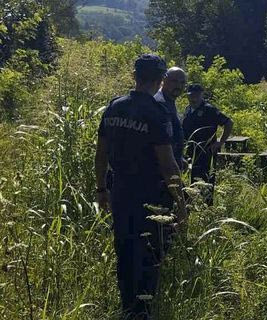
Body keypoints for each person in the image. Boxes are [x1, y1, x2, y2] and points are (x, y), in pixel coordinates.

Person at [94, 54, 187, 320]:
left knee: (124, 250)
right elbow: (168, 165)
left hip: (119, 191)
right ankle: (143, 311)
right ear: (160, 81)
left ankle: (126, 309)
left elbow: (100, 154)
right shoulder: (157, 113)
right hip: (151, 195)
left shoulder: (114, 107)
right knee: (149, 254)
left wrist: (102, 189)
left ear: (134, 76)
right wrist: (181, 203)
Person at [182, 84, 233, 186]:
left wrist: (221, 142)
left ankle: (207, 202)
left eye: (196, 95)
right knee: (192, 182)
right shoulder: (188, 109)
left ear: (201, 95)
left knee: (207, 182)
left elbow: (228, 123)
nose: (193, 98)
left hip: (207, 151)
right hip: (191, 152)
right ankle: (194, 201)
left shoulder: (209, 109)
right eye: (191, 95)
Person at [154, 67, 187, 169]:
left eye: (182, 83)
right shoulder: (158, 103)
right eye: (174, 81)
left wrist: (179, 158)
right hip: (160, 167)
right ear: (164, 80)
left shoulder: (171, 102)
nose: (179, 86)